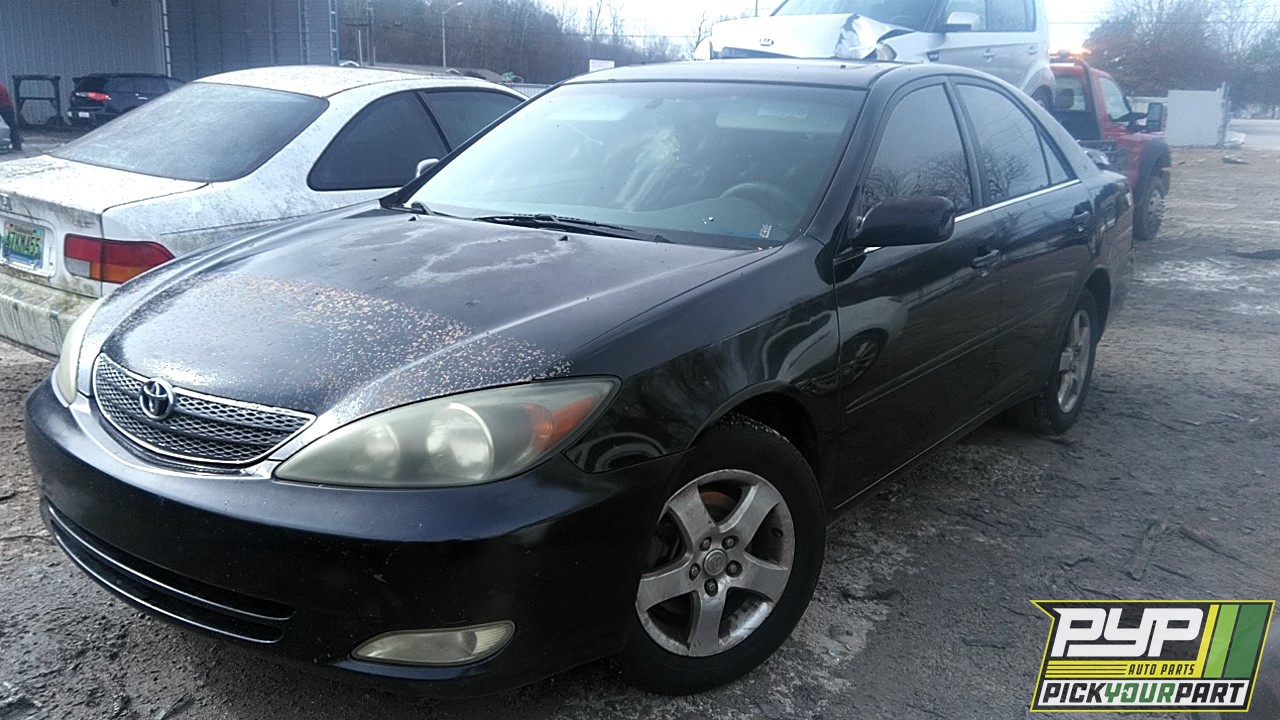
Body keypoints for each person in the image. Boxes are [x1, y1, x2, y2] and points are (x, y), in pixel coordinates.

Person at [0, 79, 22, 151]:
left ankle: (17, 145)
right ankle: (17, 145)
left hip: (4, 106)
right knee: (12, 125)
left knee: (11, 126)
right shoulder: (1, 85)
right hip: (7, 106)